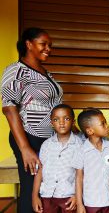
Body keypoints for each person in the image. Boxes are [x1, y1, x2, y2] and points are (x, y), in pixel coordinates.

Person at [1, 27, 63, 212]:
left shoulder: (44, 72)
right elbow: (9, 109)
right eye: (43, 44)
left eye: (50, 45)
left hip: (49, 140)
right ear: (28, 44)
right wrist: (25, 148)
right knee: (31, 188)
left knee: (46, 187)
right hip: (30, 137)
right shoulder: (16, 71)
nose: (48, 49)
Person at [32, 104, 82, 213]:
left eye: (66, 118)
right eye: (56, 119)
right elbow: (40, 171)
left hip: (69, 197)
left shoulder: (80, 145)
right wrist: (34, 196)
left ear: (73, 122)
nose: (61, 122)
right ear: (52, 123)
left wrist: (77, 196)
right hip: (47, 195)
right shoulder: (46, 145)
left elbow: (83, 174)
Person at [72, 109, 109, 213]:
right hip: (91, 203)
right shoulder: (81, 151)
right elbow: (78, 178)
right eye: (102, 124)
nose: (107, 126)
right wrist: (79, 204)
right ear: (90, 131)